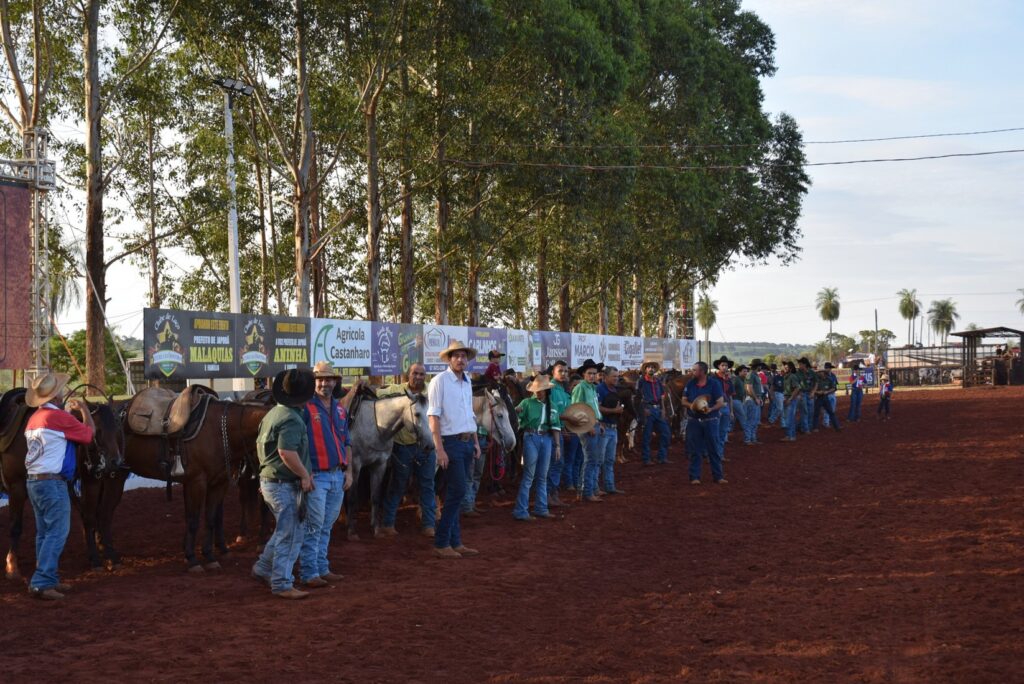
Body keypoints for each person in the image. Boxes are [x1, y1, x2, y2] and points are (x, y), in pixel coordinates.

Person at [23, 371, 95, 600]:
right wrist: (84, 410)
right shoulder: (59, 417)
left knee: (44, 532)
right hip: (52, 483)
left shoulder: (34, 418)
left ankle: (48, 578)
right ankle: (42, 581)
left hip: (34, 481)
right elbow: (88, 435)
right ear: (56, 396)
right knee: (57, 532)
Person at [252, 367, 317, 600]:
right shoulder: (292, 418)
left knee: (284, 530)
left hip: (272, 481)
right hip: (283, 483)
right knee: (291, 534)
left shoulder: (272, 414)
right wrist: (304, 475)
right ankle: (281, 582)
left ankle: (263, 568)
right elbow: (286, 452)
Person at [298, 362, 354, 588]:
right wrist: (304, 473)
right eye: (320, 379)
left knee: (326, 525)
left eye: (329, 379)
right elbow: (297, 443)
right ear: (314, 381)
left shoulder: (340, 408)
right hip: (317, 476)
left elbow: (347, 442)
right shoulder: (305, 407)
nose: (324, 383)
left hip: (336, 475)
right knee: (314, 525)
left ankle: (321, 567)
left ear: (335, 382)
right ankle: (309, 571)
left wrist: (348, 471)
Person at [427, 340, 481, 559]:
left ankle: (455, 542)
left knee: (455, 493)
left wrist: (476, 441)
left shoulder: (467, 382)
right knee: (458, 491)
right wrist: (439, 449)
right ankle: (441, 542)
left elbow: (470, 414)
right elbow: (433, 416)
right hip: (450, 442)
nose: (460, 359)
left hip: (467, 441)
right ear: (449, 359)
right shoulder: (439, 381)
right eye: (456, 356)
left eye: (463, 356)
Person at [379, 363, 438, 538]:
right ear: (408, 375)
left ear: (425, 377)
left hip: (427, 447)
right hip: (403, 446)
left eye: (421, 374)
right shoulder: (397, 390)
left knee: (427, 485)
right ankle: (388, 523)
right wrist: (361, 387)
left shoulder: (432, 393)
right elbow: (376, 393)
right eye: (415, 373)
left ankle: (428, 524)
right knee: (398, 484)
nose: (418, 377)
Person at [512, 374, 559, 520]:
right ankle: (526, 510)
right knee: (531, 476)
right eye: (536, 390)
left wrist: (557, 446)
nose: (538, 392)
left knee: (540, 476)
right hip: (533, 437)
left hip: (544, 438)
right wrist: (516, 411)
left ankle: (537, 508)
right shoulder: (526, 403)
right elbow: (515, 417)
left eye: (541, 390)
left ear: (546, 390)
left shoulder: (552, 405)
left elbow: (556, 427)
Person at [681, 361, 726, 485]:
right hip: (694, 421)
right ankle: (694, 477)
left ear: (702, 372)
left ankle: (718, 476)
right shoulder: (690, 383)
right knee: (695, 450)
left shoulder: (714, 384)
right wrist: (694, 406)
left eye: (695, 370)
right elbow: (683, 401)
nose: (692, 372)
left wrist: (711, 409)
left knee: (714, 449)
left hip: (711, 420)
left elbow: (720, 402)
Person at [571, 358, 607, 501]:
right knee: (591, 459)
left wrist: (599, 423)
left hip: (595, 424)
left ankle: (591, 489)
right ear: (584, 374)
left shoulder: (592, 388)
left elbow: (594, 408)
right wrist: (589, 425)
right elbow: (576, 409)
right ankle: (587, 492)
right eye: (589, 373)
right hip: (588, 427)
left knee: (595, 459)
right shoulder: (581, 388)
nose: (592, 376)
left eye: (594, 373)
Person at [546, 360, 576, 501]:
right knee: (554, 463)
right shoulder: (549, 388)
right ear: (553, 372)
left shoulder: (564, 391)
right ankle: (548, 495)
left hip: (561, 431)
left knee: (558, 463)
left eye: (566, 371)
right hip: (551, 433)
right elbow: (549, 412)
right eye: (560, 371)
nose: (564, 374)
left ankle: (553, 494)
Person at [595, 365, 625, 495]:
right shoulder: (600, 389)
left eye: (617, 376)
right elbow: (598, 408)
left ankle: (609, 485)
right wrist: (615, 411)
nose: (616, 379)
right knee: (599, 459)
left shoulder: (614, 389)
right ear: (605, 377)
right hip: (604, 427)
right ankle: (596, 487)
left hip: (612, 427)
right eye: (614, 376)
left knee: (609, 459)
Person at [637, 360, 671, 465]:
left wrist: (663, 409)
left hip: (658, 409)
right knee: (647, 435)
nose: (651, 369)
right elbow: (637, 397)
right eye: (649, 367)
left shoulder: (657, 381)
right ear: (645, 369)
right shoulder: (641, 381)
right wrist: (643, 409)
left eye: (652, 367)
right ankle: (646, 458)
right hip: (648, 408)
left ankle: (662, 457)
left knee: (666, 433)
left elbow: (661, 396)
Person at [812, 362, 842, 432]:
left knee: (831, 412)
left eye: (822, 372)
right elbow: (812, 389)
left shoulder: (829, 379)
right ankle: (815, 427)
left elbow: (834, 388)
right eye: (820, 372)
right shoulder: (817, 380)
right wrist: (817, 392)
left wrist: (826, 392)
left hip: (825, 397)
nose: (820, 373)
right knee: (816, 413)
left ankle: (836, 426)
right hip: (819, 398)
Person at [713, 356, 734, 457]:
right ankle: (712, 455)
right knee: (714, 433)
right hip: (716, 408)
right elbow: (709, 395)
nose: (725, 367)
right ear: (718, 366)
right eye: (723, 365)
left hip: (726, 408)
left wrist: (731, 411)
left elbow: (730, 397)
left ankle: (719, 455)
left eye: (726, 365)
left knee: (722, 433)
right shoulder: (712, 378)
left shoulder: (728, 380)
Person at [737, 365, 762, 445]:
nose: (760, 367)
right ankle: (748, 439)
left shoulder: (754, 374)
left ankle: (753, 438)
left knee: (755, 421)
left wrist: (758, 398)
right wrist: (756, 398)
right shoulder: (751, 374)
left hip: (755, 398)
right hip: (752, 399)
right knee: (751, 420)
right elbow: (749, 388)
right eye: (759, 365)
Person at [781, 361, 802, 442]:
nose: (785, 368)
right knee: (790, 418)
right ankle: (791, 436)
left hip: (791, 399)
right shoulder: (786, 376)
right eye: (784, 367)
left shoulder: (792, 376)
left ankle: (790, 436)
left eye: (787, 367)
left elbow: (797, 388)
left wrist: (790, 399)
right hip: (787, 398)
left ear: (791, 368)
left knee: (789, 418)